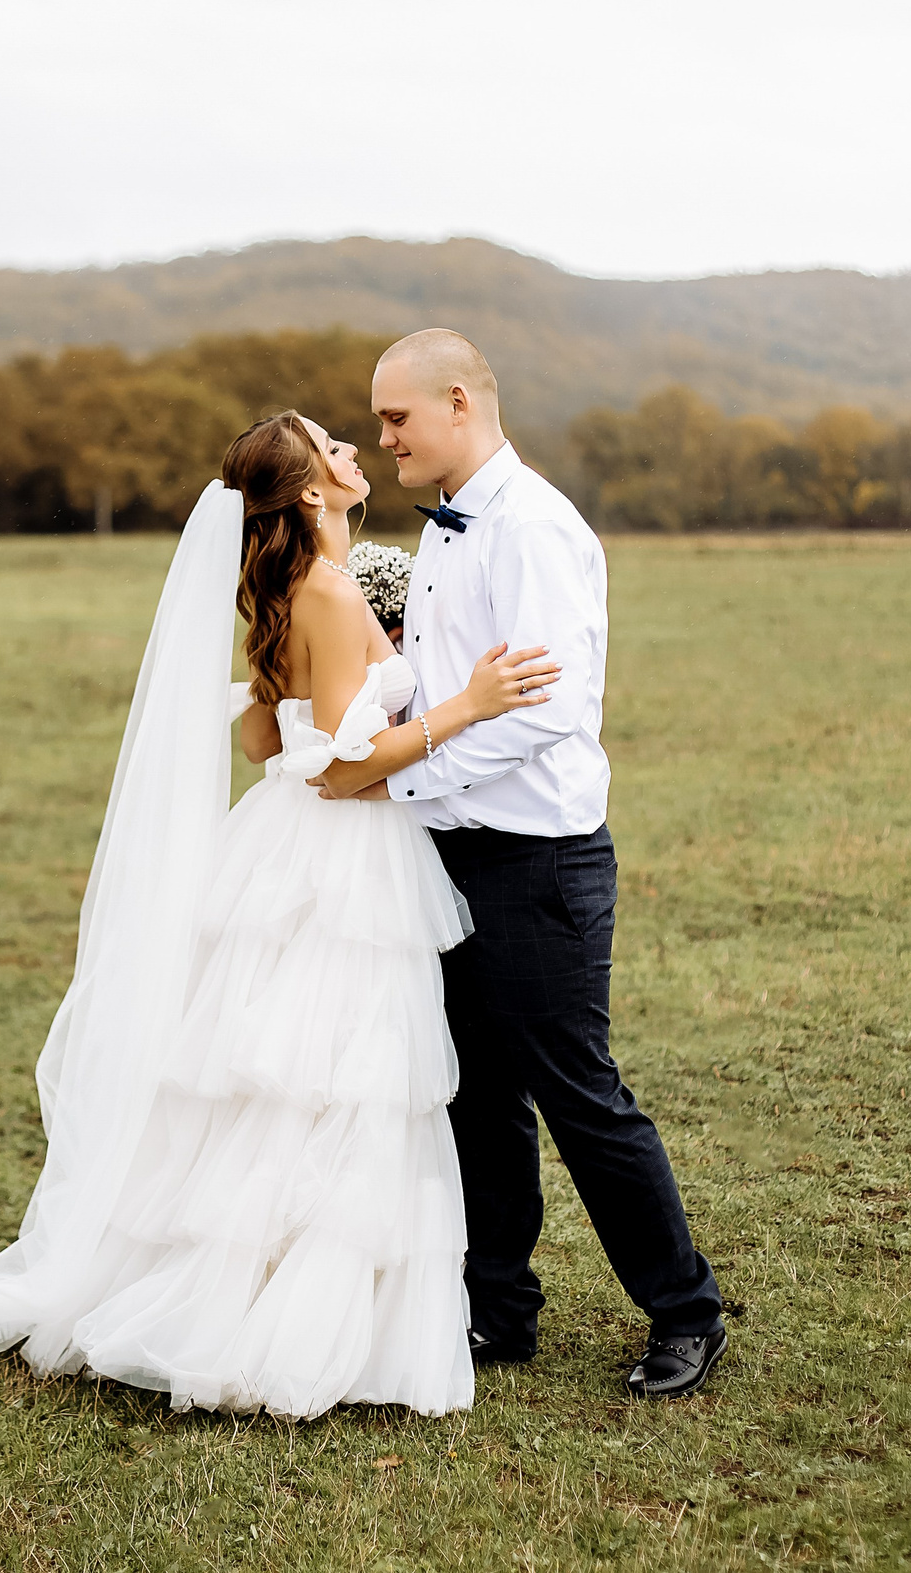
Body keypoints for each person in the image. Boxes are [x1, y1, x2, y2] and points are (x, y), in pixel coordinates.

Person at [0, 411, 558, 1419]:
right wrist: (464, 705)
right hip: (343, 858)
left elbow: (265, 738)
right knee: (336, 1077)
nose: (354, 453)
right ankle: (289, 1314)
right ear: (308, 493)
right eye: (334, 448)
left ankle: (242, 1279)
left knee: (264, 1075)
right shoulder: (333, 590)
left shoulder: (282, 586)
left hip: (275, 842)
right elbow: (342, 771)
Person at [313, 330, 737, 1399]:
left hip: (536, 860)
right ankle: (497, 1308)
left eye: (395, 418)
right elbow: (448, 682)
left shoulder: (535, 527)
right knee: (474, 1094)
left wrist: (395, 783)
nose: (381, 437)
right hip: (450, 855)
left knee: (579, 1093)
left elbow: (550, 712)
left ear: (458, 402)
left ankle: (687, 1309)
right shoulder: (454, 526)